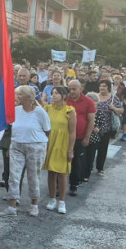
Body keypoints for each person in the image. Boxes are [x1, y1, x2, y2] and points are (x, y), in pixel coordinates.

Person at [0, 85, 50, 218]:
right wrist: (11, 145)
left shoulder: (40, 112)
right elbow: (12, 129)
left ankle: (34, 205)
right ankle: (11, 207)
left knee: (33, 177)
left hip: (35, 146)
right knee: (13, 176)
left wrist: (36, 141)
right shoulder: (15, 110)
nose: (16, 97)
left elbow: (47, 130)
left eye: (19, 94)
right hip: (16, 145)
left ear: (28, 97)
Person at [43, 87, 75, 215]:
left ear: (64, 95)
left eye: (56, 93)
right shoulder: (47, 109)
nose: (53, 95)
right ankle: (52, 199)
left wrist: (70, 150)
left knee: (62, 173)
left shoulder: (70, 111)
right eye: (52, 93)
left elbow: (73, 132)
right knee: (51, 172)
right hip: (50, 142)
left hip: (63, 143)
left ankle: (62, 201)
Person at [64, 79, 96, 196]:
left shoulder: (88, 101)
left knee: (76, 161)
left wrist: (87, 137)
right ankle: (59, 185)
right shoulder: (65, 100)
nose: (71, 91)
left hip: (79, 137)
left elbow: (91, 121)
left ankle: (74, 184)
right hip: (64, 136)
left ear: (80, 88)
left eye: (74, 89)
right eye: (69, 89)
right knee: (62, 160)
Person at [86, 79, 122, 177]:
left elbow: (121, 111)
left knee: (102, 148)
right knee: (91, 148)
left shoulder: (114, 98)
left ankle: (100, 167)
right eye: (101, 86)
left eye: (104, 86)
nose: (102, 88)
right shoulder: (94, 97)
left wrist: (114, 108)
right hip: (93, 127)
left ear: (108, 87)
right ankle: (88, 167)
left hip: (106, 127)